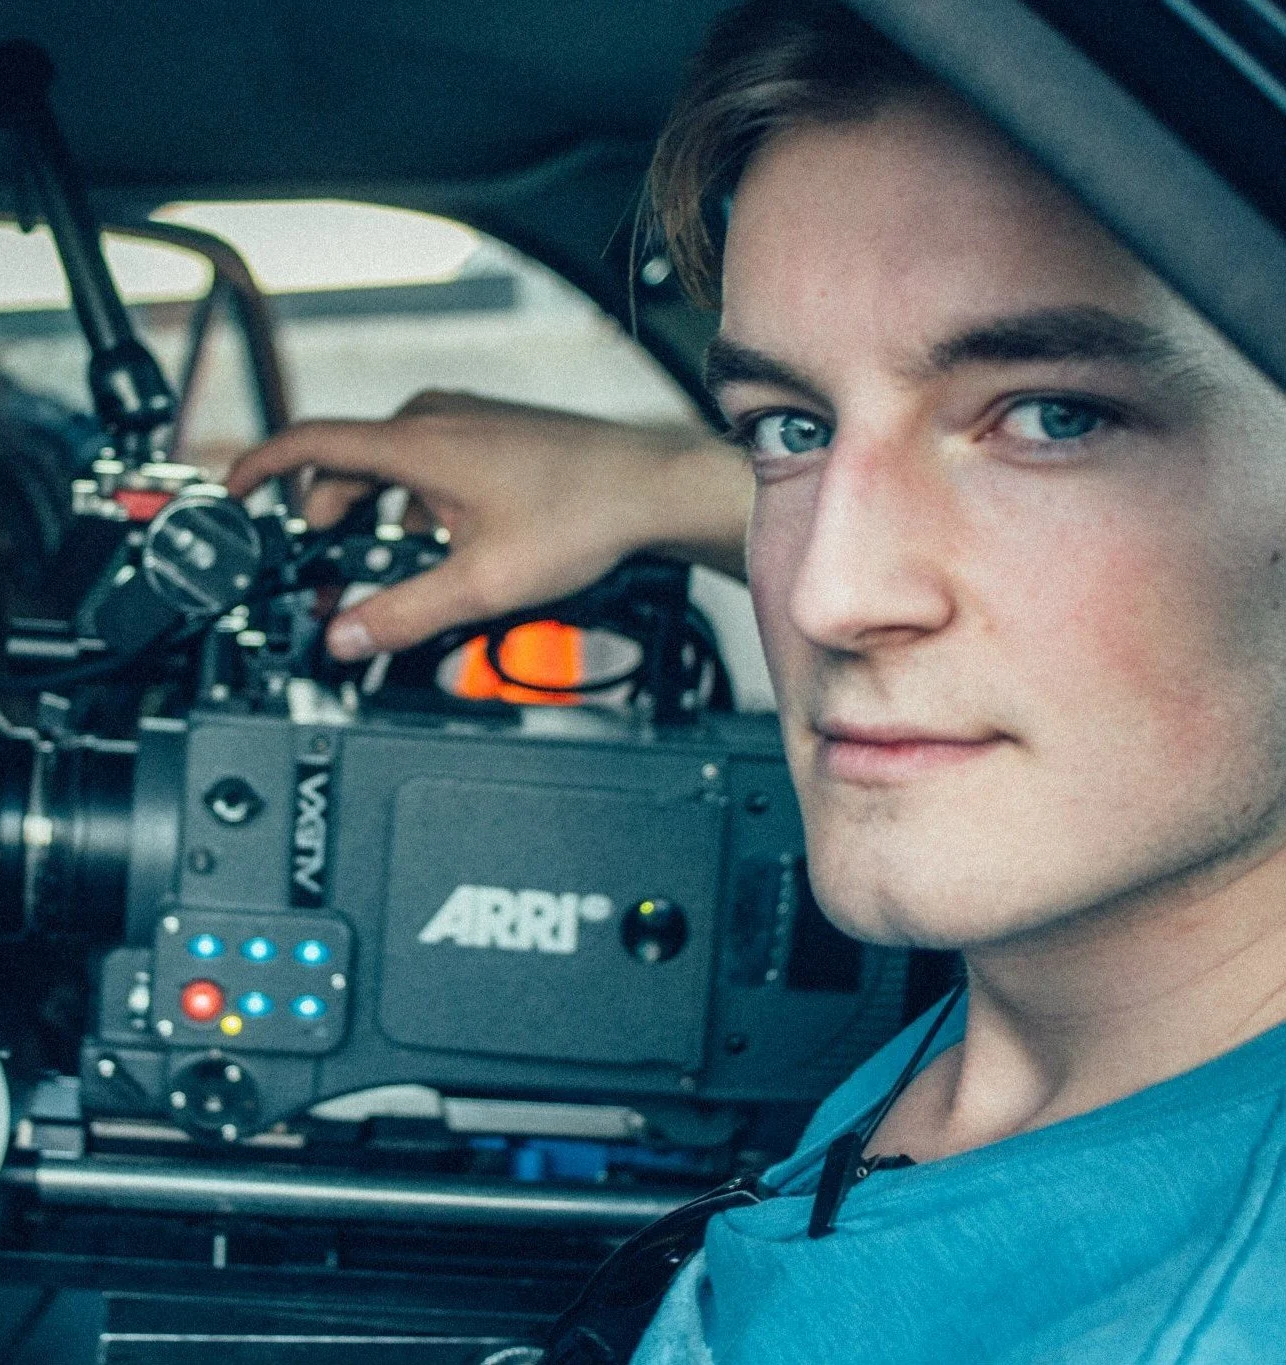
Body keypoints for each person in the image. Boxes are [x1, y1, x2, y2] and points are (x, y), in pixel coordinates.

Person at [230, 2, 1286, 1358]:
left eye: (1051, 418)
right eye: (789, 428)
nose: (829, 593)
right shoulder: (1063, 1036)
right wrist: (644, 483)